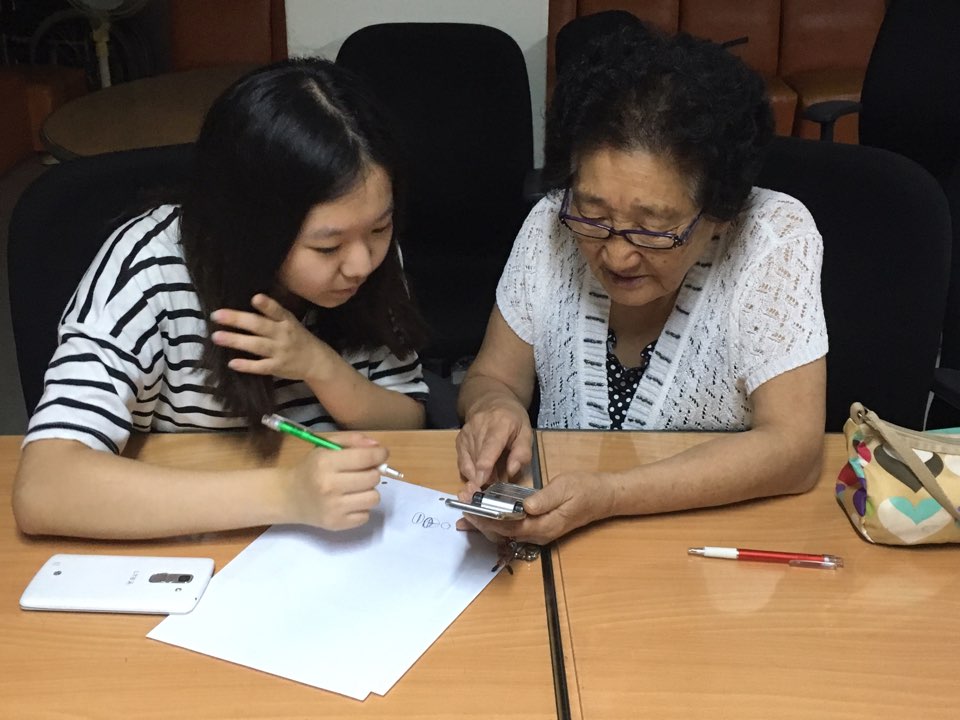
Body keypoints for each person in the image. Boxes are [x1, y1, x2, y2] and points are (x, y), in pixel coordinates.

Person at [14, 58, 429, 540]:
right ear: (249, 225)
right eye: (326, 246)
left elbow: (408, 422)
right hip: (185, 536)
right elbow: (45, 486)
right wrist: (285, 494)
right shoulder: (150, 269)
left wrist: (320, 366)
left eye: (380, 227)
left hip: (336, 533)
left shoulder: (369, 259)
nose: (360, 263)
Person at [456, 24, 828, 545]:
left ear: (720, 213)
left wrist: (611, 496)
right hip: (561, 541)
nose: (616, 254)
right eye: (592, 214)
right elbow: (492, 376)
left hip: (713, 545)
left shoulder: (772, 238)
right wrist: (493, 408)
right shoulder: (550, 224)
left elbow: (795, 449)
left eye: (653, 229)